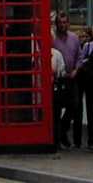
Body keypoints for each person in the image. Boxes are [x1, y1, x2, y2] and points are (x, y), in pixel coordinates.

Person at [53, 11, 83, 148]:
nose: (63, 25)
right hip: (59, 79)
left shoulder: (74, 38)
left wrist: (76, 69)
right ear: (56, 24)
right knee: (57, 108)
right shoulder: (52, 39)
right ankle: (58, 138)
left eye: (65, 22)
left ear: (68, 24)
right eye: (60, 22)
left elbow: (80, 57)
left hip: (72, 77)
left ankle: (62, 131)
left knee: (74, 105)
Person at [75, 26, 93, 149]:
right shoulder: (77, 48)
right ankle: (77, 141)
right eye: (81, 37)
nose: (84, 39)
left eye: (86, 36)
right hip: (77, 81)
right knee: (77, 110)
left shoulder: (90, 48)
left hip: (90, 81)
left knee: (91, 110)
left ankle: (90, 141)